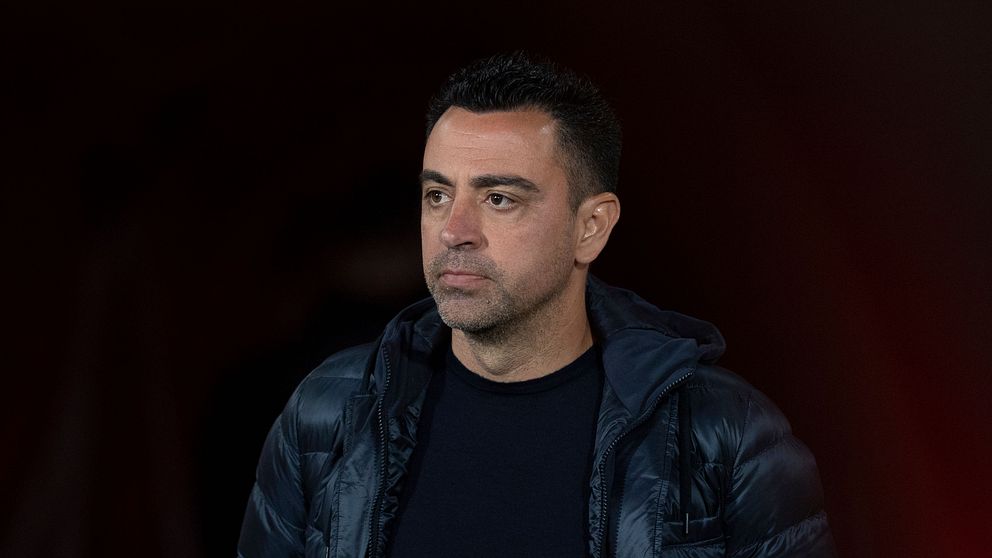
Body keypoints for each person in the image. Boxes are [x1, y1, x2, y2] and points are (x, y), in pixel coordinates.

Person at [238, 52, 837, 558]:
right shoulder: (329, 415)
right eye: (438, 194)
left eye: (499, 198)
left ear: (591, 227)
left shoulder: (723, 435)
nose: (454, 231)